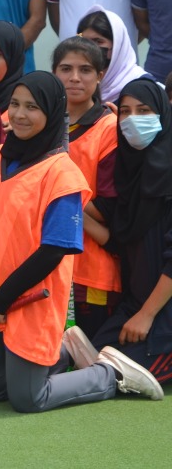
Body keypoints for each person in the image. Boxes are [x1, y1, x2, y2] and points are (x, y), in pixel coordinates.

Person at [0, 72, 162, 410]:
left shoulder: (62, 172)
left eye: (32, 107)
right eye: (16, 105)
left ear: (52, 113)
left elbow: (54, 250)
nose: (20, 115)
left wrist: (3, 299)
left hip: (28, 300)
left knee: (29, 399)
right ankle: (62, 351)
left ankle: (110, 373)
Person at [85, 78, 172, 385]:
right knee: (92, 356)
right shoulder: (129, 173)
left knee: (115, 372)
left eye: (144, 110)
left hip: (161, 312)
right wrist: (70, 210)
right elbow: (119, 241)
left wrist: (147, 315)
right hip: (134, 305)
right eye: (125, 111)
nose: (133, 120)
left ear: (162, 113)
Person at [51, 37, 121, 338]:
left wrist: (58, 184)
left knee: (86, 356)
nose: (74, 78)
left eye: (85, 70)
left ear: (101, 76)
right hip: (45, 261)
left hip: (91, 270)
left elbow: (107, 209)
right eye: (65, 69)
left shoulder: (109, 127)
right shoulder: (38, 120)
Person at [78, 7, 151, 104]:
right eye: (85, 42)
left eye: (98, 41)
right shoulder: (75, 85)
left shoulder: (144, 87)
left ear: (117, 45)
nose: (90, 48)